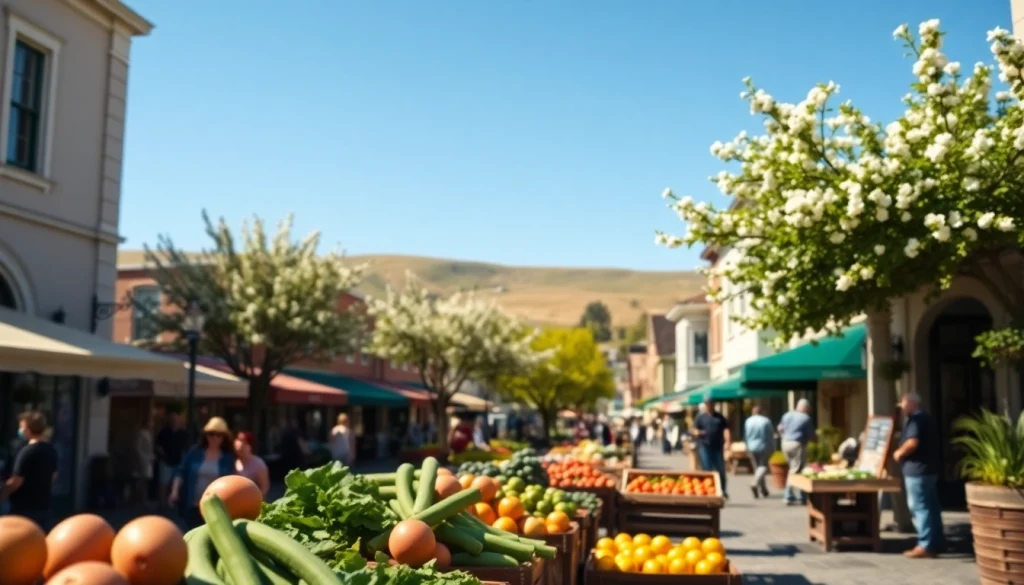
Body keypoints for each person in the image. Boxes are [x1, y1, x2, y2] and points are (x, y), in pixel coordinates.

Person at [893, 392, 943, 558]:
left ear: (911, 404)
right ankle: (936, 542)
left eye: (903, 405)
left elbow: (913, 442)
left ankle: (925, 545)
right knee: (931, 507)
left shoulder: (916, 419)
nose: (902, 409)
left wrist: (899, 452)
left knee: (919, 507)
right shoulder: (926, 418)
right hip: (928, 470)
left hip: (917, 471)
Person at [169, 417, 236, 529]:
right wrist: (174, 492)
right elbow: (180, 471)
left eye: (218, 435)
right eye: (211, 434)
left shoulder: (228, 458)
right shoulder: (195, 453)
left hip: (216, 507)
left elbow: (232, 481)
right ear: (205, 435)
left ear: (224, 437)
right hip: (193, 504)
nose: (214, 438)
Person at [0, 412, 57, 529]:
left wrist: (2, 495)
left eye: (21, 427)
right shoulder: (51, 450)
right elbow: (54, 477)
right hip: (44, 507)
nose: (20, 430)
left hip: (24, 509)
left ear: (27, 429)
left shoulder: (27, 452)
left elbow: (16, 481)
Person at [778, 399, 816, 505]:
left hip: (785, 443)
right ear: (806, 408)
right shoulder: (806, 418)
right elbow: (811, 435)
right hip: (797, 444)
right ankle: (788, 495)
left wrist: (785, 437)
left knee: (793, 468)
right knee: (795, 470)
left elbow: (780, 428)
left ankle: (801, 495)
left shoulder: (787, 415)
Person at [693, 398, 730, 498]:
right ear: (705, 405)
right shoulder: (700, 418)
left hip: (718, 447)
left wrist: (727, 442)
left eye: (711, 404)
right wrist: (699, 433)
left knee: (720, 470)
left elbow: (726, 430)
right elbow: (695, 430)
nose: (710, 405)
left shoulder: (720, 417)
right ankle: (709, 490)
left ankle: (723, 490)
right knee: (707, 470)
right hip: (705, 446)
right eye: (708, 404)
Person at [155, 412, 189, 509]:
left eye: (176, 420)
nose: (174, 422)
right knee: (163, 483)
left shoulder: (183, 434)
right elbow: (158, 446)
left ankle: (176, 503)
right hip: (166, 461)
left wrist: (183, 458)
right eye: (173, 420)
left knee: (177, 483)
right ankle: (162, 504)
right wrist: (163, 455)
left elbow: (186, 448)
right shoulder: (163, 433)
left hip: (179, 462)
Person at [743, 404, 776, 498]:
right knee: (763, 467)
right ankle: (755, 483)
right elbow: (770, 435)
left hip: (752, 446)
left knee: (757, 468)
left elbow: (746, 435)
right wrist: (773, 447)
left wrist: (746, 446)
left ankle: (763, 489)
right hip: (764, 446)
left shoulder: (748, 421)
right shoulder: (766, 421)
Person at [234, 431, 270, 496]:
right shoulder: (232, 462)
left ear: (250, 446)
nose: (241, 445)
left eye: (245, 442)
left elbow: (264, 488)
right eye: (238, 440)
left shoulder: (258, 464)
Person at [133, 416, 155, 506]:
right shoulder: (141, 433)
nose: (152, 424)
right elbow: (138, 448)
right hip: (143, 460)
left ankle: (144, 499)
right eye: (150, 422)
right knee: (141, 480)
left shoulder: (149, 433)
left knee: (146, 480)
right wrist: (144, 458)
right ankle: (139, 500)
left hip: (149, 459)